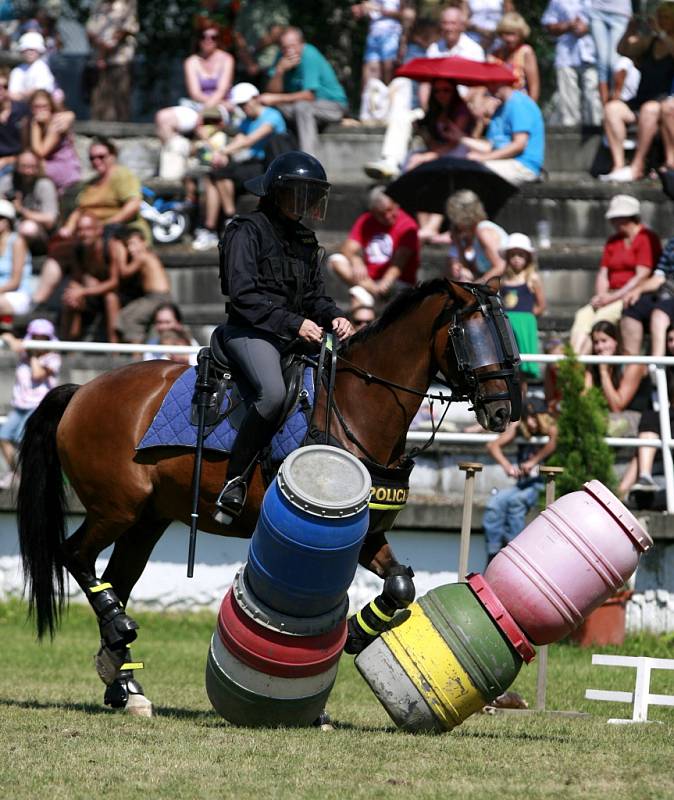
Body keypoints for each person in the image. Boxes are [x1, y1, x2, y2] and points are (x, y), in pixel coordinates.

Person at [213, 150, 354, 524]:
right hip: (250, 332)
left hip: (293, 334)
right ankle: (234, 481)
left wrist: (336, 316)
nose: (305, 204)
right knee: (273, 394)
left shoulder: (305, 240)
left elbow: (315, 297)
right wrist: (295, 324)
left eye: (311, 196)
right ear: (277, 193)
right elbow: (243, 297)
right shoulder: (245, 231)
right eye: (299, 194)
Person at [364, 6, 484, 180]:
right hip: (436, 106)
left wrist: (457, 103)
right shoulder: (435, 48)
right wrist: (429, 109)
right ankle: (390, 161)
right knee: (403, 117)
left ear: (461, 25)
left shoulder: (474, 50)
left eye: (452, 23)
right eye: (445, 23)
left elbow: (478, 85)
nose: (448, 27)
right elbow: (425, 83)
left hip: (463, 107)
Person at [192, 81, 288, 251]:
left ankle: (228, 218)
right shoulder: (246, 121)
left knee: (221, 171)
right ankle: (210, 227)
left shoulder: (272, 116)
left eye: (244, 104)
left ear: (256, 98)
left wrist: (223, 152)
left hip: (269, 166)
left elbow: (249, 140)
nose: (243, 108)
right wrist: (220, 152)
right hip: (252, 165)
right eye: (240, 105)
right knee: (213, 174)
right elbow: (238, 140)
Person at [569, 194, 662, 354]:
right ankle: (571, 362)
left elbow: (642, 275)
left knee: (599, 322)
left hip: (630, 296)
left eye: (616, 218)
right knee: (582, 316)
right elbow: (604, 273)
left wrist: (612, 298)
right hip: (610, 295)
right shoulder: (613, 241)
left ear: (628, 218)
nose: (612, 222)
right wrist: (602, 296)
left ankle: (580, 368)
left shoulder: (646, 238)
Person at [600, 3, 674, 182]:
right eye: (660, 17)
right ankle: (618, 166)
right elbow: (622, 50)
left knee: (650, 109)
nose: (661, 21)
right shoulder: (649, 42)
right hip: (640, 100)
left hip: (663, 101)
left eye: (666, 17)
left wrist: (662, 34)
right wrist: (629, 29)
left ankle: (637, 166)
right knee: (612, 109)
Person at [483, 395, 558, 564]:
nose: (530, 422)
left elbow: (554, 442)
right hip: (522, 484)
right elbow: (492, 446)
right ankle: (493, 552)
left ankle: (514, 552)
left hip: (541, 485)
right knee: (495, 503)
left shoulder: (552, 429)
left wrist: (533, 461)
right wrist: (507, 466)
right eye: (527, 417)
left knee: (517, 502)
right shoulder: (520, 429)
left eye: (534, 417)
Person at [259, 27, 349, 156]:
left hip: (333, 106)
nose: (289, 51)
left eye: (293, 46)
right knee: (272, 107)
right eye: (285, 47)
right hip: (304, 108)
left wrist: (276, 98)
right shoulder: (281, 57)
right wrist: (279, 71)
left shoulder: (309, 55)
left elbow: (309, 95)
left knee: (302, 107)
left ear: (302, 44)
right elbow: (273, 92)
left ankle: (309, 158)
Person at [327, 187, 419, 308]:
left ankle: (374, 294)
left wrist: (385, 284)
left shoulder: (408, 225)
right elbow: (347, 248)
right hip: (369, 281)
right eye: (381, 214)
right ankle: (374, 293)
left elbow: (398, 265)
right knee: (336, 260)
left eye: (390, 210)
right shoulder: (366, 220)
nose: (387, 216)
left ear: (396, 204)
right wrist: (356, 260)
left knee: (358, 295)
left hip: (397, 283)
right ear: (373, 211)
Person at [41, 213, 126, 342]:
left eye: (88, 229)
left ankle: (115, 349)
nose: (83, 233)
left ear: (99, 230)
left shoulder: (110, 247)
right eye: (80, 229)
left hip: (117, 293)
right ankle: (67, 346)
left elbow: (115, 282)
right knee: (70, 298)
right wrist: (76, 291)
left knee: (110, 298)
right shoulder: (78, 249)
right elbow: (77, 279)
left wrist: (83, 290)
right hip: (91, 293)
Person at [0, 317, 61, 489]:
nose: (39, 341)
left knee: (23, 440)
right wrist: (13, 340)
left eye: (43, 337)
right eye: (36, 337)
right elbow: (6, 335)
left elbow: (37, 375)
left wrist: (33, 355)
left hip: (38, 406)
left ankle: (29, 476)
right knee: (3, 437)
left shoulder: (53, 357)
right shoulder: (24, 351)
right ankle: (15, 473)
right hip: (20, 405)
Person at [154, 21, 235, 146]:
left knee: (210, 119)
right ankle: (177, 151)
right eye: (204, 37)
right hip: (198, 106)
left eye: (213, 37)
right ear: (198, 39)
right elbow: (195, 93)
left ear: (218, 40)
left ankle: (198, 153)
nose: (208, 40)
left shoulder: (227, 59)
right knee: (162, 117)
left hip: (221, 109)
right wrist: (204, 110)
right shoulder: (191, 61)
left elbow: (222, 90)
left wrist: (205, 111)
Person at [57, 136, 151, 243]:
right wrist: (68, 228)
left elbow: (133, 204)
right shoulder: (90, 184)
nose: (96, 161)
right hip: (91, 233)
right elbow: (79, 210)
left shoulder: (122, 175)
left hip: (122, 231)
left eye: (101, 157)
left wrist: (107, 224)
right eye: (92, 158)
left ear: (112, 156)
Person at [618, 323, 674, 501]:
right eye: (670, 339)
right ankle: (642, 477)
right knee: (650, 419)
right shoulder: (661, 368)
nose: (673, 343)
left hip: (666, 420)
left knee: (649, 425)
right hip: (664, 420)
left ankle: (620, 493)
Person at [462, 79, 545, 186]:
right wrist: (460, 138)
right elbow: (492, 146)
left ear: (506, 81)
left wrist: (483, 158)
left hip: (523, 165)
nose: (490, 88)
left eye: (494, 82)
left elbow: (519, 145)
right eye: (487, 83)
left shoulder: (518, 103)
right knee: (461, 165)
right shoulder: (499, 108)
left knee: (472, 172)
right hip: (506, 162)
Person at [585, 319, 652, 437]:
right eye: (596, 342)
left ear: (616, 341)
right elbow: (586, 398)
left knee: (605, 427)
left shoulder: (633, 364)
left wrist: (604, 373)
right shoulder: (593, 364)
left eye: (604, 341)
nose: (600, 347)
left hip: (635, 417)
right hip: (604, 415)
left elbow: (617, 406)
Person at [542, 0, 602, 127]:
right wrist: (568, 26)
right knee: (567, 94)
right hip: (566, 53)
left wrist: (589, 27)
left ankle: (596, 127)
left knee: (593, 92)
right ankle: (569, 130)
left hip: (593, 52)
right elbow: (548, 25)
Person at [500, 232, 546, 382]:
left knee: (523, 369)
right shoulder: (503, 279)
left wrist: (528, 318)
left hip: (525, 324)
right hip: (507, 323)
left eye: (521, 255)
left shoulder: (532, 278)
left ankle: (523, 401)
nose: (516, 259)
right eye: (513, 255)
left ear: (528, 258)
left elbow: (541, 304)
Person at [114, 230, 173, 343]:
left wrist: (120, 252)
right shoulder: (150, 256)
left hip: (158, 298)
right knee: (124, 314)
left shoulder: (142, 256)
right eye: (127, 245)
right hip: (152, 297)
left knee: (132, 318)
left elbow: (124, 272)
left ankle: (136, 355)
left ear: (144, 243)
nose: (130, 249)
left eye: (133, 243)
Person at [620, 235, 674, 357]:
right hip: (667, 292)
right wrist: (637, 290)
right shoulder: (672, 242)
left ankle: (656, 368)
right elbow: (659, 277)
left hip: (667, 300)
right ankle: (631, 366)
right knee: (632, 308)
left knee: (660, 313)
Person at [85, 0, 139, 121]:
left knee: (119, 99)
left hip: (119, 60)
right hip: (98, 60)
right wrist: (100, 50)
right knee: (99, 99)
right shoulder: (98, 5)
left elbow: (125, 29)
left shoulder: (127, 4)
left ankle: (120, 134)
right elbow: (90, 30)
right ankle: (98, 132)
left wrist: (104, 52)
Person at [25, 88, 81, 194]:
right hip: (48, 166)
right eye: (36, 107)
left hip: (63, 167)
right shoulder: (27, 122)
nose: (40, 110)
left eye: (44, 106)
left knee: (31, 167)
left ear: (51, 107)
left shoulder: (56, 123)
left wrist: (35, 126)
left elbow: (40, 152)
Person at [446, 189, 508, 282]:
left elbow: (501, 266)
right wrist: (458, 244)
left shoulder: (483, 231)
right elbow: (468, 268)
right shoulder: (468, 235)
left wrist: (477, 285)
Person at [352, 1, 415, 88]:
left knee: (387, 73)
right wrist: (360, 9)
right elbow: (366, 7)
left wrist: (384, 11)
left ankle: (388, 99)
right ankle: (367, 100)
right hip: (373, 35)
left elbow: (407, 15)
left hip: (391, 35)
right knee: (370, 76)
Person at [10, 149, 58, 254]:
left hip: (39, 236)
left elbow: (50, 220)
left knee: (28, 228)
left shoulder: (44, 185)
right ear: (17, 166)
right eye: (24, 166)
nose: (28, 171)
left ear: (38, 167)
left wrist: (22, 211)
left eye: (32, 167)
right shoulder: (10, 182)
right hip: (11, 230)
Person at [587, 0, 631, 106]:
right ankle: (605, 109)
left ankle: (616, 103)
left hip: (620, 12)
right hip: (597, 10)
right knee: (602, 62)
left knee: (614, 63)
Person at [490, 12, 540, 102]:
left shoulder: (526, 52)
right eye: (506, 34)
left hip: (520, 103)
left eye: (513, 34)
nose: (509, 39)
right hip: (498, 102)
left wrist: (530, 110)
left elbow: (534, 88)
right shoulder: (496, 54)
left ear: (520, 34)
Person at [0, 66, 30, 196]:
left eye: (4, 86)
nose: (0, 91)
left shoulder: (22, 110)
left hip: (18, 161)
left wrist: (8, 160)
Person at [0, 197, 32, 318]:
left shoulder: (17, 242)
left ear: (8, 221)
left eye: (0, 218)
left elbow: (15, 282)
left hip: (16, 294)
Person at [8, 32, 58, 103]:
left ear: (39, 50)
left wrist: (21, 95)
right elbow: (12, 94)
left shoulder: (42, 68)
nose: (29, 52)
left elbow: (39, 93)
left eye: (32, 49)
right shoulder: (17, 70)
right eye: (26, 50)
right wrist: (25, 95)